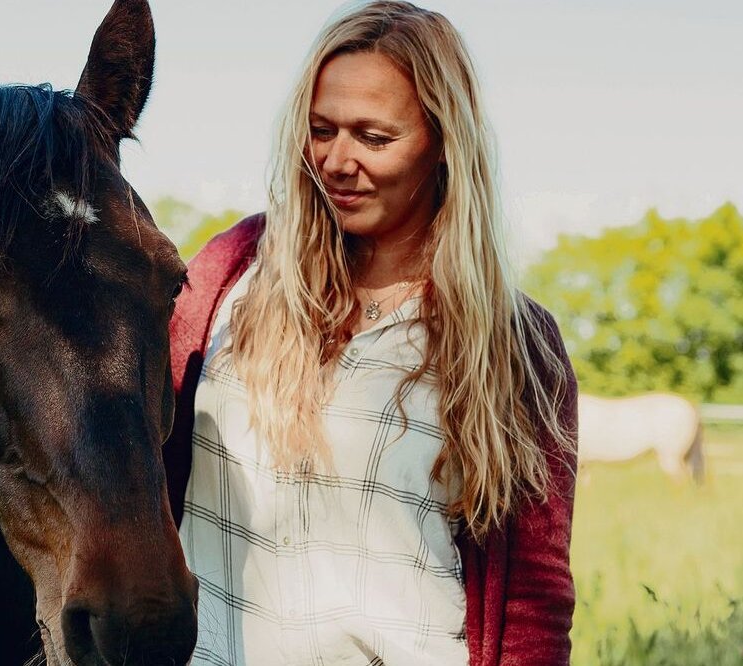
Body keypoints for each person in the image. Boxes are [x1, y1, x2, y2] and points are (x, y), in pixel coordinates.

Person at [163, 2, 578, 665]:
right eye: (320, 129)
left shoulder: (512, 342)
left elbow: (534, 597)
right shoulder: (233, 271)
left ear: (443, 142)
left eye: (373, 138)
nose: (334, 161)